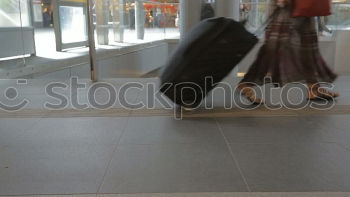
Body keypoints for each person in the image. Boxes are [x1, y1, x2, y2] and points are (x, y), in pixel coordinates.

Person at [238, 0, 339, 104]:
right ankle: (246, 84)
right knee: (274, 50)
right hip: (288, 8)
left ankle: (314, 88)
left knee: (308, 50)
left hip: (304, 9)